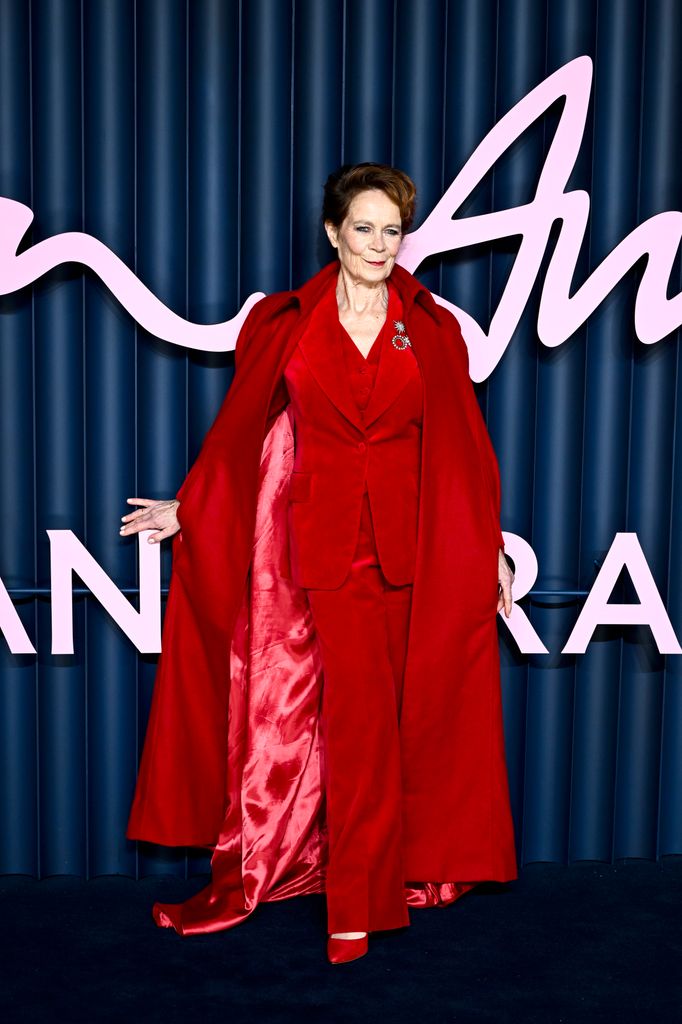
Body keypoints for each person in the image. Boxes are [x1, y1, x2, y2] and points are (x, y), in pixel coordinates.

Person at [122, 163, 517, 965]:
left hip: (405, 555)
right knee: (353, 720)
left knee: (375, 724)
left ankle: (364, 887)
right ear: (334, 233)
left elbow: (465, 455)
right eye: (364, 228)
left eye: (393, 231)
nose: (380, 244)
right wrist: (188, 507)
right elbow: (242, 434)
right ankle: (356, 906)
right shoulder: (283, 323)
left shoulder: (432, 327)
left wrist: (490, 548)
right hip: (316, 547)